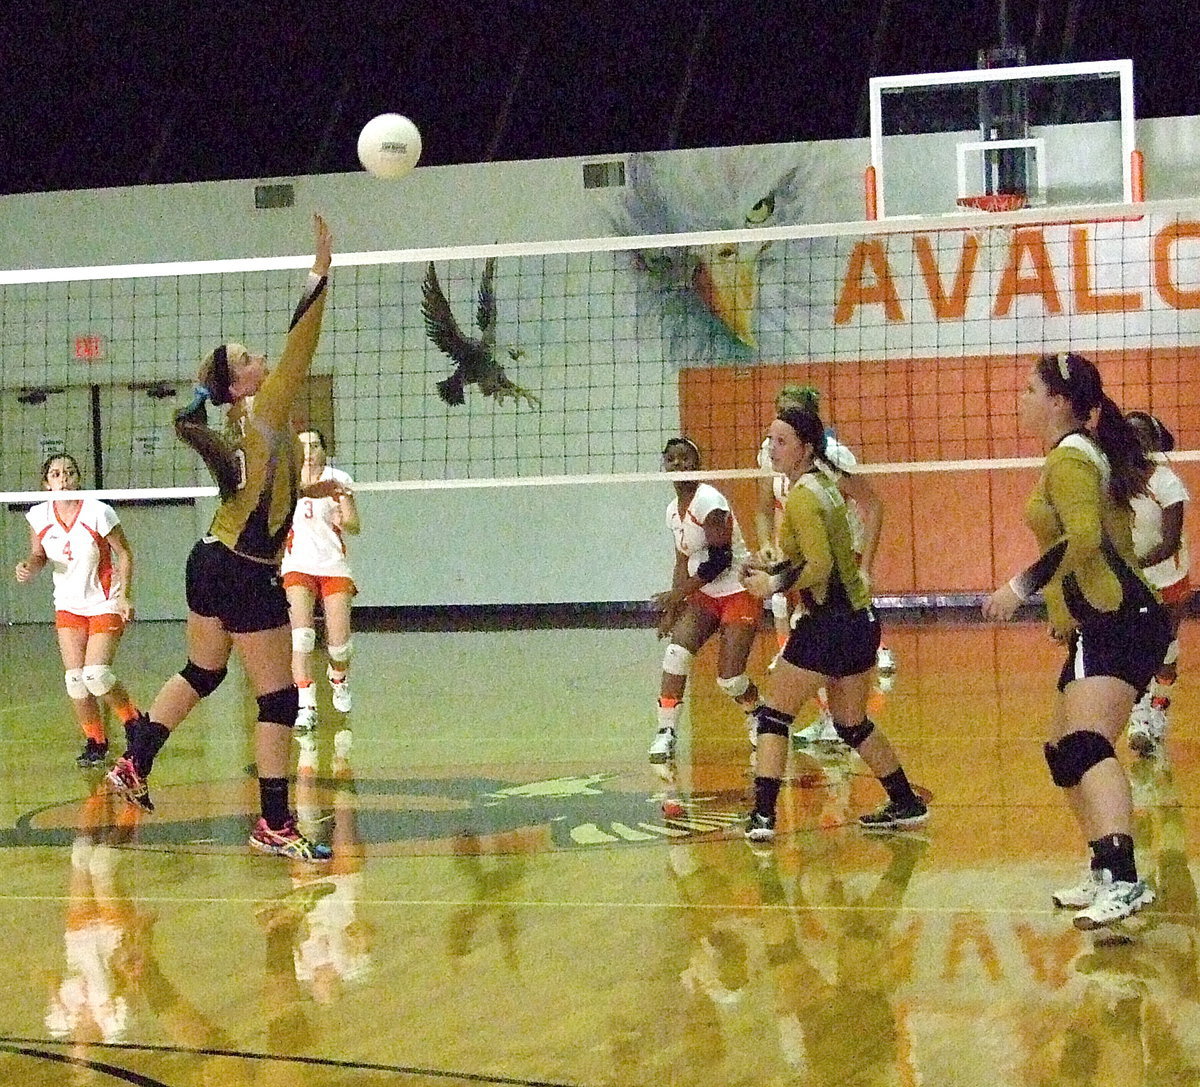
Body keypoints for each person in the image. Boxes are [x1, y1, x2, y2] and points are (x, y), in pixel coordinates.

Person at [105, 214, 334, 862]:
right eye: (248, 359)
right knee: (279, 696)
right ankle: (274, 824)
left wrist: (307, 494)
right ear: (239, 385)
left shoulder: (242, 424)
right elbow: (303, 339)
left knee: (203, 670)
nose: (262, 359)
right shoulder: (263, 410)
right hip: (241, 568)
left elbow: (261, 491)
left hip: (207, 559)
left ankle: (135, 763)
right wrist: (319, 271)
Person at [983, 352, 1170, 929]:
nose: (1020, 399)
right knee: (1065, 756)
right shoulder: (1074, 456)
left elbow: (1084, 539)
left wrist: (1021, 587)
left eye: (1028, 389)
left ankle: (1125, 879)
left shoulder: (1069, 457)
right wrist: (1062, 609)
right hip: (1105, 620)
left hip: (1122, 618)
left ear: (1059, 402)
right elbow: (1086, 541)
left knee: (1087, 746)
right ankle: (1102, 868)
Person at [741, 405, 926, 841]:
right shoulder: (823, 484)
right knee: (851, 722)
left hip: (828, 625)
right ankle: (905, 801)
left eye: (782, 441)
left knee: (773, 715)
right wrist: (776, 566)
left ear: (806, 448)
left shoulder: (804, 496)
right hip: (861, 622)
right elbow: (816, 555)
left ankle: (764, 817)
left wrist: (773, 584)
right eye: (770, 440)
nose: (772, 448)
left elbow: (820, 567)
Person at [753, 384, 890, 746]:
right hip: (799, 555)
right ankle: (830, 717)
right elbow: (763, 508)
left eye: (792, 414)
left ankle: (837, 712)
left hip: (836, 555)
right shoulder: (772, 456)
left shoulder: (831, 463)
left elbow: (873, 505)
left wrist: (868, 565)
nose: (778, 433)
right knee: (806, 634)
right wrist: (768, 548)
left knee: (823, 632)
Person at [14, 453, 141, 768]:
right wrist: (30, 566)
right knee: (75, 680)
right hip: (68, 604)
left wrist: (125, 595)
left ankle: (135, 723)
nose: (64, 478)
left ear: (78, 478)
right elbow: (38, 554)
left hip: (104, 600)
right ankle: (96, 741)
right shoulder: (39, 516)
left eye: (69, 472)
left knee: (96, 675)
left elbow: (124, 553)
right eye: (56, 474)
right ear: (47, 484)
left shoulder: (98, 512)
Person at [649, 437, 763, 764]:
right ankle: (665, 732)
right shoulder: (673, 511)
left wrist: (678, 594)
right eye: (672, 459)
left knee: (730, 679)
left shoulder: (709, 501)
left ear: (696, 465)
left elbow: (719, 561)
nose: (678, 464)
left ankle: (758, 713)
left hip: (739, 590)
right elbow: (681, 561)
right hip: (704, 595)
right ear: (665, 464)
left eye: (685, 459)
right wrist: (673, 610)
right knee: (675, 654)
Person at [281, 428, 360, 732]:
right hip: (297, 566)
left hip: (333, 567)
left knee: (340, 647)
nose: (310, 451)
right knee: (301, 636)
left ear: (325, 450)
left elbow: (354, 525)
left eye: (315, 445)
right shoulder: (285, 480)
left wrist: (345, 514)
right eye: (304, 446)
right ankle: (306, 704)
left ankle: (338, 677)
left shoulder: (338, 479)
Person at [1124, 410, 1191, 755]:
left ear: (1151, 441)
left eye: (1139, 434)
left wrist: (1131, 563)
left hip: (1167, 578)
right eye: (1126, 432)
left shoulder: (1166, 482)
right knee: (1134, 650)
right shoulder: (1114, 479)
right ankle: (1138, 719)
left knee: (1165, 652)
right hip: (1132, 582)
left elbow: (1168, 544)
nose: (1131, 439)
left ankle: (1159, 710)